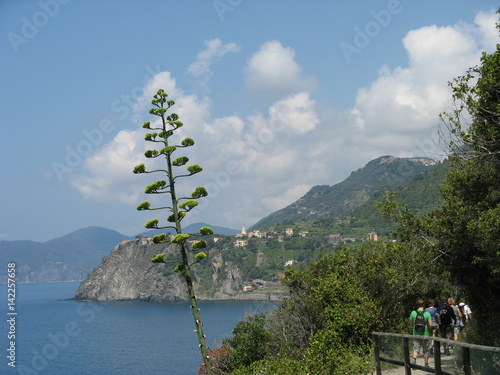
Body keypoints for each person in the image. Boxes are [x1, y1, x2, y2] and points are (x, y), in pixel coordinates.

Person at [409, 299, 433, 367]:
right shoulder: (427, 313)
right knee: (426, 349)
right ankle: (426, 364)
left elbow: (410, 323)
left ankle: (414, 359)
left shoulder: (413, 313)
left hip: (416, 334)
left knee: (416, 348)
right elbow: (431, 325)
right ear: (423, 305)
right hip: (425, 334)